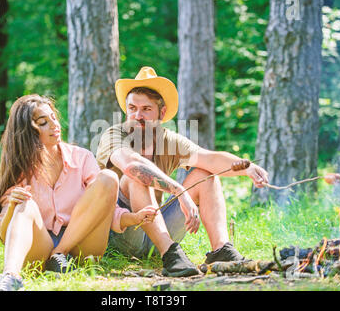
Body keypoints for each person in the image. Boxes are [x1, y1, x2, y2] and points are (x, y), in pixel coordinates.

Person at [96, 67, 269, 277]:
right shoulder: (114, 134)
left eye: (146, 109)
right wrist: (179, 190)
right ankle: (170, 254)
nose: (137, 115)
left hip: (154, 231)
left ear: (161, 113)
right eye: (132, 108)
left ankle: (221, 250)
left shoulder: (167, 140)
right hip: (120, 231)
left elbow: (209, 158)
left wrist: (246, 167)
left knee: (205, 174)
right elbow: (132, 166)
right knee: (137, 177)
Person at [0, 94, 156, 291]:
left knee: (109, 177)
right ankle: (10, 278)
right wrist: (11, 208)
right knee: (25, 204)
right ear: (28, 132)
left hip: (81, 247)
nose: (55, 125)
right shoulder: (19, 169)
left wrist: (133, 218)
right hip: (40, 249)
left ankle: (59, 253)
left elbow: (105, 206)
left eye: (54, 117)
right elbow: (5, 229)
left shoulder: (82, 157)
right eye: (44, 122)